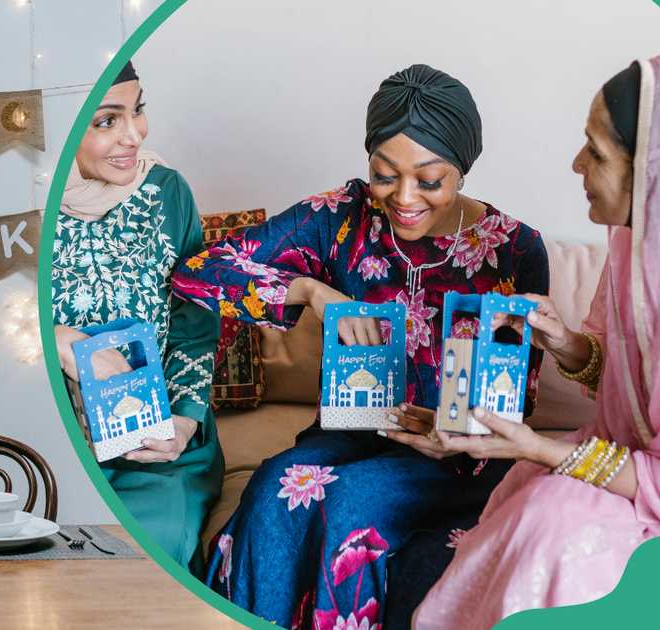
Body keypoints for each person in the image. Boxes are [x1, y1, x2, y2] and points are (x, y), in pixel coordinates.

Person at [172, 64, 549, 628]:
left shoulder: (516, 250)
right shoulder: (343, 219)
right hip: (348, 436)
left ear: (463, 169)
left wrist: (461, 437)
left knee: (354, 505)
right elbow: (198, 274)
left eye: (429, 180)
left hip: (455, 458)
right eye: (384, 174)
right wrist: (308, 290)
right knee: (275, 488)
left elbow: (518, 395)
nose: (403, 198)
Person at [415, 56, 660, 630]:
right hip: (617, 464)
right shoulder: (633, 249)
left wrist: (540, 449)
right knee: (539, 504)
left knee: (550, 518)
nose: (576, 164)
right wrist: (563, 341)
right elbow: (625, 383)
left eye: (596, 153)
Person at [52, 61, 223, 573]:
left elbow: (194, 320)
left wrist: (186, 420)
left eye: (138, 110)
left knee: (151, 544)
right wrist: (63, 342)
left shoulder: (166, 191)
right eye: (106, 120)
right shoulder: (17, 212)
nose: (134, 135)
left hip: (154, 446)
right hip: (49, 438)